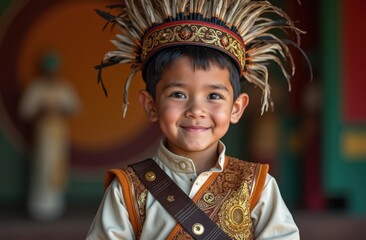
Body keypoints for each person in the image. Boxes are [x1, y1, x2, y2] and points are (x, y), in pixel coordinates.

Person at [87, 0, 306, 239]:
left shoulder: (257, 186)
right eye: (178, 94)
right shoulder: (127, 190)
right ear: (151, 105)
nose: (196, 110)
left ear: (236, 108)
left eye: (213, 96)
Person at [19, 52, 80, 220]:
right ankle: (39, 208)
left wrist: (60, 108)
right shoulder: (36, 87)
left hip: (59, 132)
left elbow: (75, 107)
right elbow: (24, 110)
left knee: (57, 166)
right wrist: (41, 109)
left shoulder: (63, 87)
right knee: (42, 166)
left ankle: (55, 208)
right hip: (43, 132)